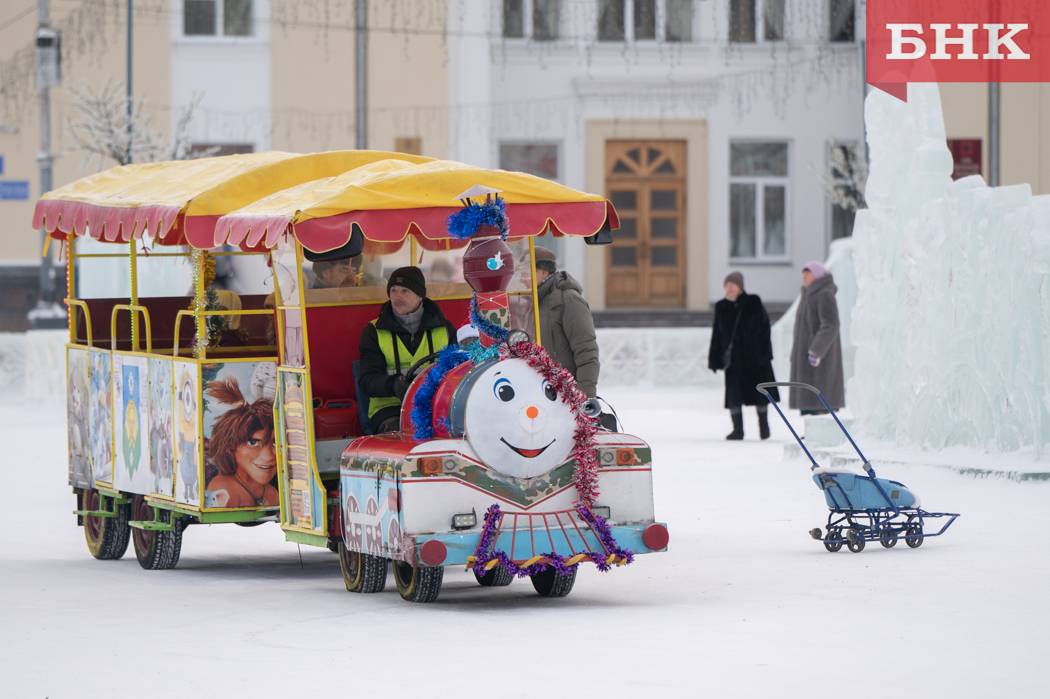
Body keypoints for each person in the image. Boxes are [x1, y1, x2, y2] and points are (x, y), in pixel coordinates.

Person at [358, 266, 457, 433]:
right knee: (409, 434)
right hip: (390, 409)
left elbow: (456, 373)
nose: (397, 296)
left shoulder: (445, 329)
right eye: (393, 290)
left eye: (405, 291)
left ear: (420, 296)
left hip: (436, 406)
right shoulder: (373, 332)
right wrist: (394, 384)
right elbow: (367, 380)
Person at [708, 272, 779, 440]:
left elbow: (764, 328)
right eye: (727, 285)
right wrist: (714, 358)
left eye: (733, 285)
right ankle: (737, 429)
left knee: (760, 393)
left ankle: (764, 426)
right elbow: (717, 334)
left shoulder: (752, 302)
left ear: (740, 287)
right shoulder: (721, 307)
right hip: (734, 360)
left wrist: (764, 354)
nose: (729, 288)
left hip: (754, 358)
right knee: (734, 395)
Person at [533, 246, 600, 399]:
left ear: (543, 272)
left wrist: (585, 396)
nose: (522, 277)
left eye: (526, 271)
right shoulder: (526, 302)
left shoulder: (568, 300)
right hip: (535, 394)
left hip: (564, 395)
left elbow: (586, 351)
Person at [202, 377, 278, 508]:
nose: (269, 456)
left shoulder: (271, 493)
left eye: (275, 443)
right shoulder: (222, 489)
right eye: (253, 443)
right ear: (229, 446)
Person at [790, 261, 844, 415]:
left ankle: (821, 435)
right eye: (803, 275)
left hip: (821, 360)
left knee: (820, 401)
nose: (804, 278)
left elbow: (831, 324)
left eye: (808, 274)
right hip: (807, 359)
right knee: (810, 402)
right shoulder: (807, 295)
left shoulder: (824, 294)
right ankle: (812, 435)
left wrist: (816, 350)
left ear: (818, 275)